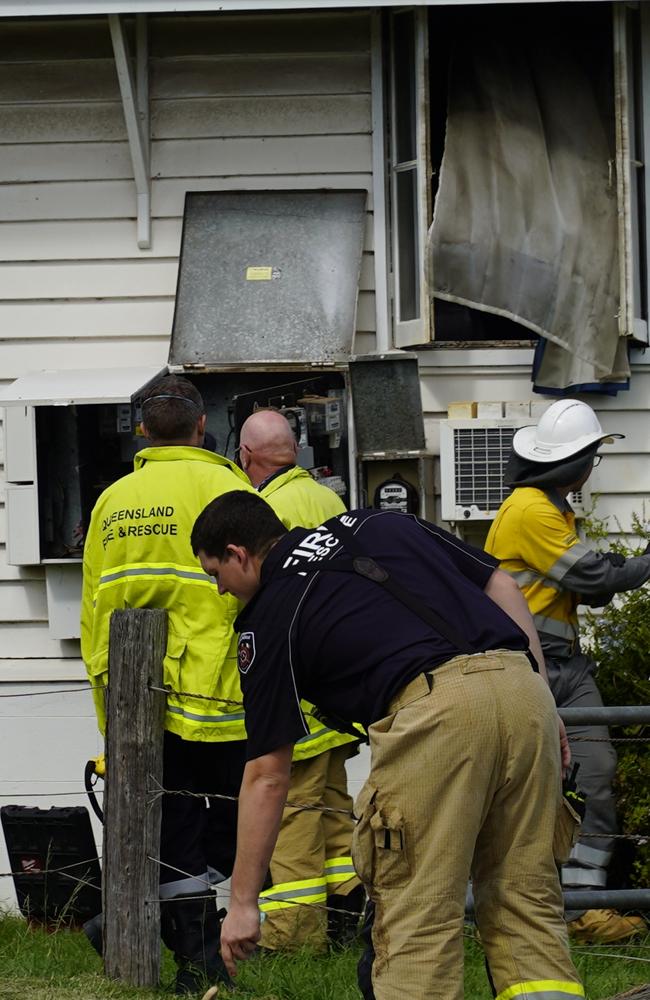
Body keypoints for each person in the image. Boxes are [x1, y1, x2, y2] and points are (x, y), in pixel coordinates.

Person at [190, 491, 584, 1000]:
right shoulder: (378, 523)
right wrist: (545, 702)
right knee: (526, 901)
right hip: (522, 688)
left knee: (418, 918)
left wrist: (243, 903)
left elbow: (268, 774)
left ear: (238, 553)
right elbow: (500, 583)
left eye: (215, 574)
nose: (221, 591)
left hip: (433, 714)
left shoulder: (269, 618)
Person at [81, 375, 256, 995]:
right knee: (228, 828)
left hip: (139, 706)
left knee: (172, 830)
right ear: (202, 426)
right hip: (222, 699)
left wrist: (108, 710)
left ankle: (185, 949)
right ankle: (202, 957)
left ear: (141, 431)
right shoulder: (229, 488)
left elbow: (94, 613)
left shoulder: (111, 502)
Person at [485, 398, 650, 945]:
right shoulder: (530, 510)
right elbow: (593, 576)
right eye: (593, 456)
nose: (593, 467)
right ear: (574, 461)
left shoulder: (554, 509)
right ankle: (521, 910)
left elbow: (585, 585)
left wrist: (607, 578)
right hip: (525, 667)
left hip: (566, 666)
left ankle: (583, 908)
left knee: (595, 776)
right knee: (526, 793)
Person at [237, 408, 364, 952]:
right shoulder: (328, 499)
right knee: (335, 812)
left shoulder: (263, 511)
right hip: (339, 688)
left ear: (245, 457)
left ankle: (293, 936)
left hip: (297, 691)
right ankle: (356, 905)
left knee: (294, 816)